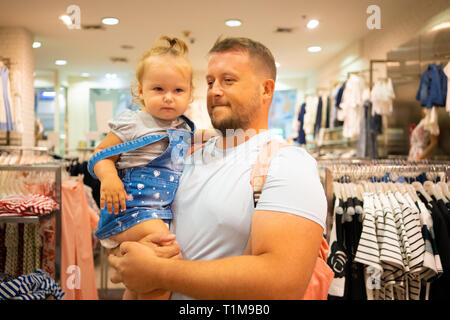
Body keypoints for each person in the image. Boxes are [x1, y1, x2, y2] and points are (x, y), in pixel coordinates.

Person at [108, 37, 328, 300]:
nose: (214, 91)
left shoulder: (288, 163)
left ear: (266, 90)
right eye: (210, 81)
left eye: (229, 80)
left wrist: (159, 272)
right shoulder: (185, 154)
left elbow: (282, 281)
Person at [88, 36, 195, 300]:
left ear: (190, 93)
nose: (168, 98)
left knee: (139, 282)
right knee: (164, 262)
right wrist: (109, 177)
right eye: (158, 89)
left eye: (178, 91)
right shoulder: (134, 123)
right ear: (140, 91)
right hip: (129, 208)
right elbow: (100, 155)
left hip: (157, 212)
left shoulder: (185, 128)